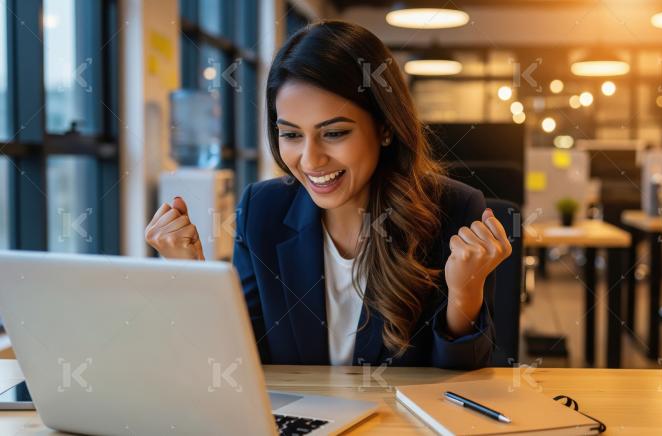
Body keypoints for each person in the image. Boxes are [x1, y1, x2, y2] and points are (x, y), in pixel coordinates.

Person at [145, 21, 512, 369]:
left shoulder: (454, 209)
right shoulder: (263, 210)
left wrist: (465, 292)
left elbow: (462, 377)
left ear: (385, 128)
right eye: (291, 135)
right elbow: (243, 359)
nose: (310, 160)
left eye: (334, 133)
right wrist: (189, 274)